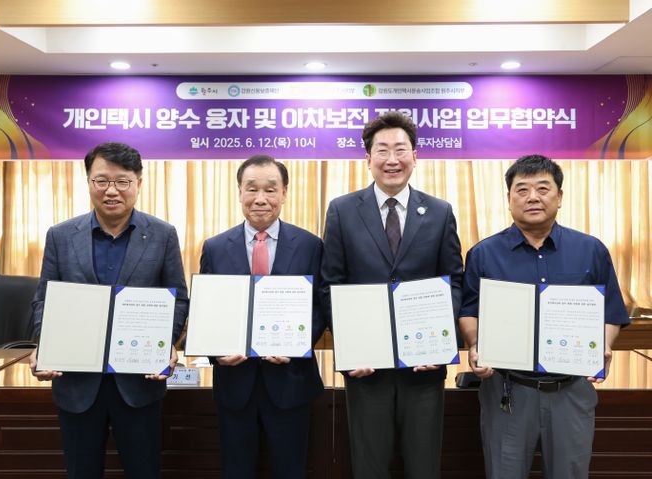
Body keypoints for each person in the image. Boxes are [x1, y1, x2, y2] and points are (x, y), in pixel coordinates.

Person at [458, 154, 629, 478]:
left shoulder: (591, 250)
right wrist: (475, 343)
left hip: (571, 390)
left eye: (543, 188)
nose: (532, 197)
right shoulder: (483, 254)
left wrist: (603, 345)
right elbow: (469, 311)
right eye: (522, 190)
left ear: (560, 196)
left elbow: (611, 312)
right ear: (509, 198)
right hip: (507, 390)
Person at [28, 142, 189, 479]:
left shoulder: (163, 235)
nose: (111, 190)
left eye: (122, 181)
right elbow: (44, 299)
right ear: (88, 182)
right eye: (101, 181)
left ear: (138, 183)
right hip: (77, 383)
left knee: (144, 471)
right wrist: (45, 344)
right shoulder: (60, 236)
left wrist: (166, 343)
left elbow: (177, 298)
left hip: (139, 382)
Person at [321, 111, 463, 478]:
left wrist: (439, 343)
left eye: (401, 149)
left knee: (423, 466)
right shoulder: (342, 211)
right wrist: (351, 346)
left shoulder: (439, 212)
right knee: (369, 467)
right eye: (382, 150)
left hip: (424, 369)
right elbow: (330, 284)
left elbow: (454, 281)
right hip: (366, 368)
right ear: (368, 158)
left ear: (415, 156)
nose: (392, 159)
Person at [199, 154, 324, 479]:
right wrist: (215, 352)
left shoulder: (310, 245)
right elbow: (207, 309)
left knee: (290, 470)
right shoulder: (214, 248)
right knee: (236, 470)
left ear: (284, 193)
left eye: (270, 189)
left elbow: (320, 306)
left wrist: (297, 343)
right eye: (251, 189)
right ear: (239, 192)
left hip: (291, 381)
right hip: (234, 383)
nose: (260, 198)